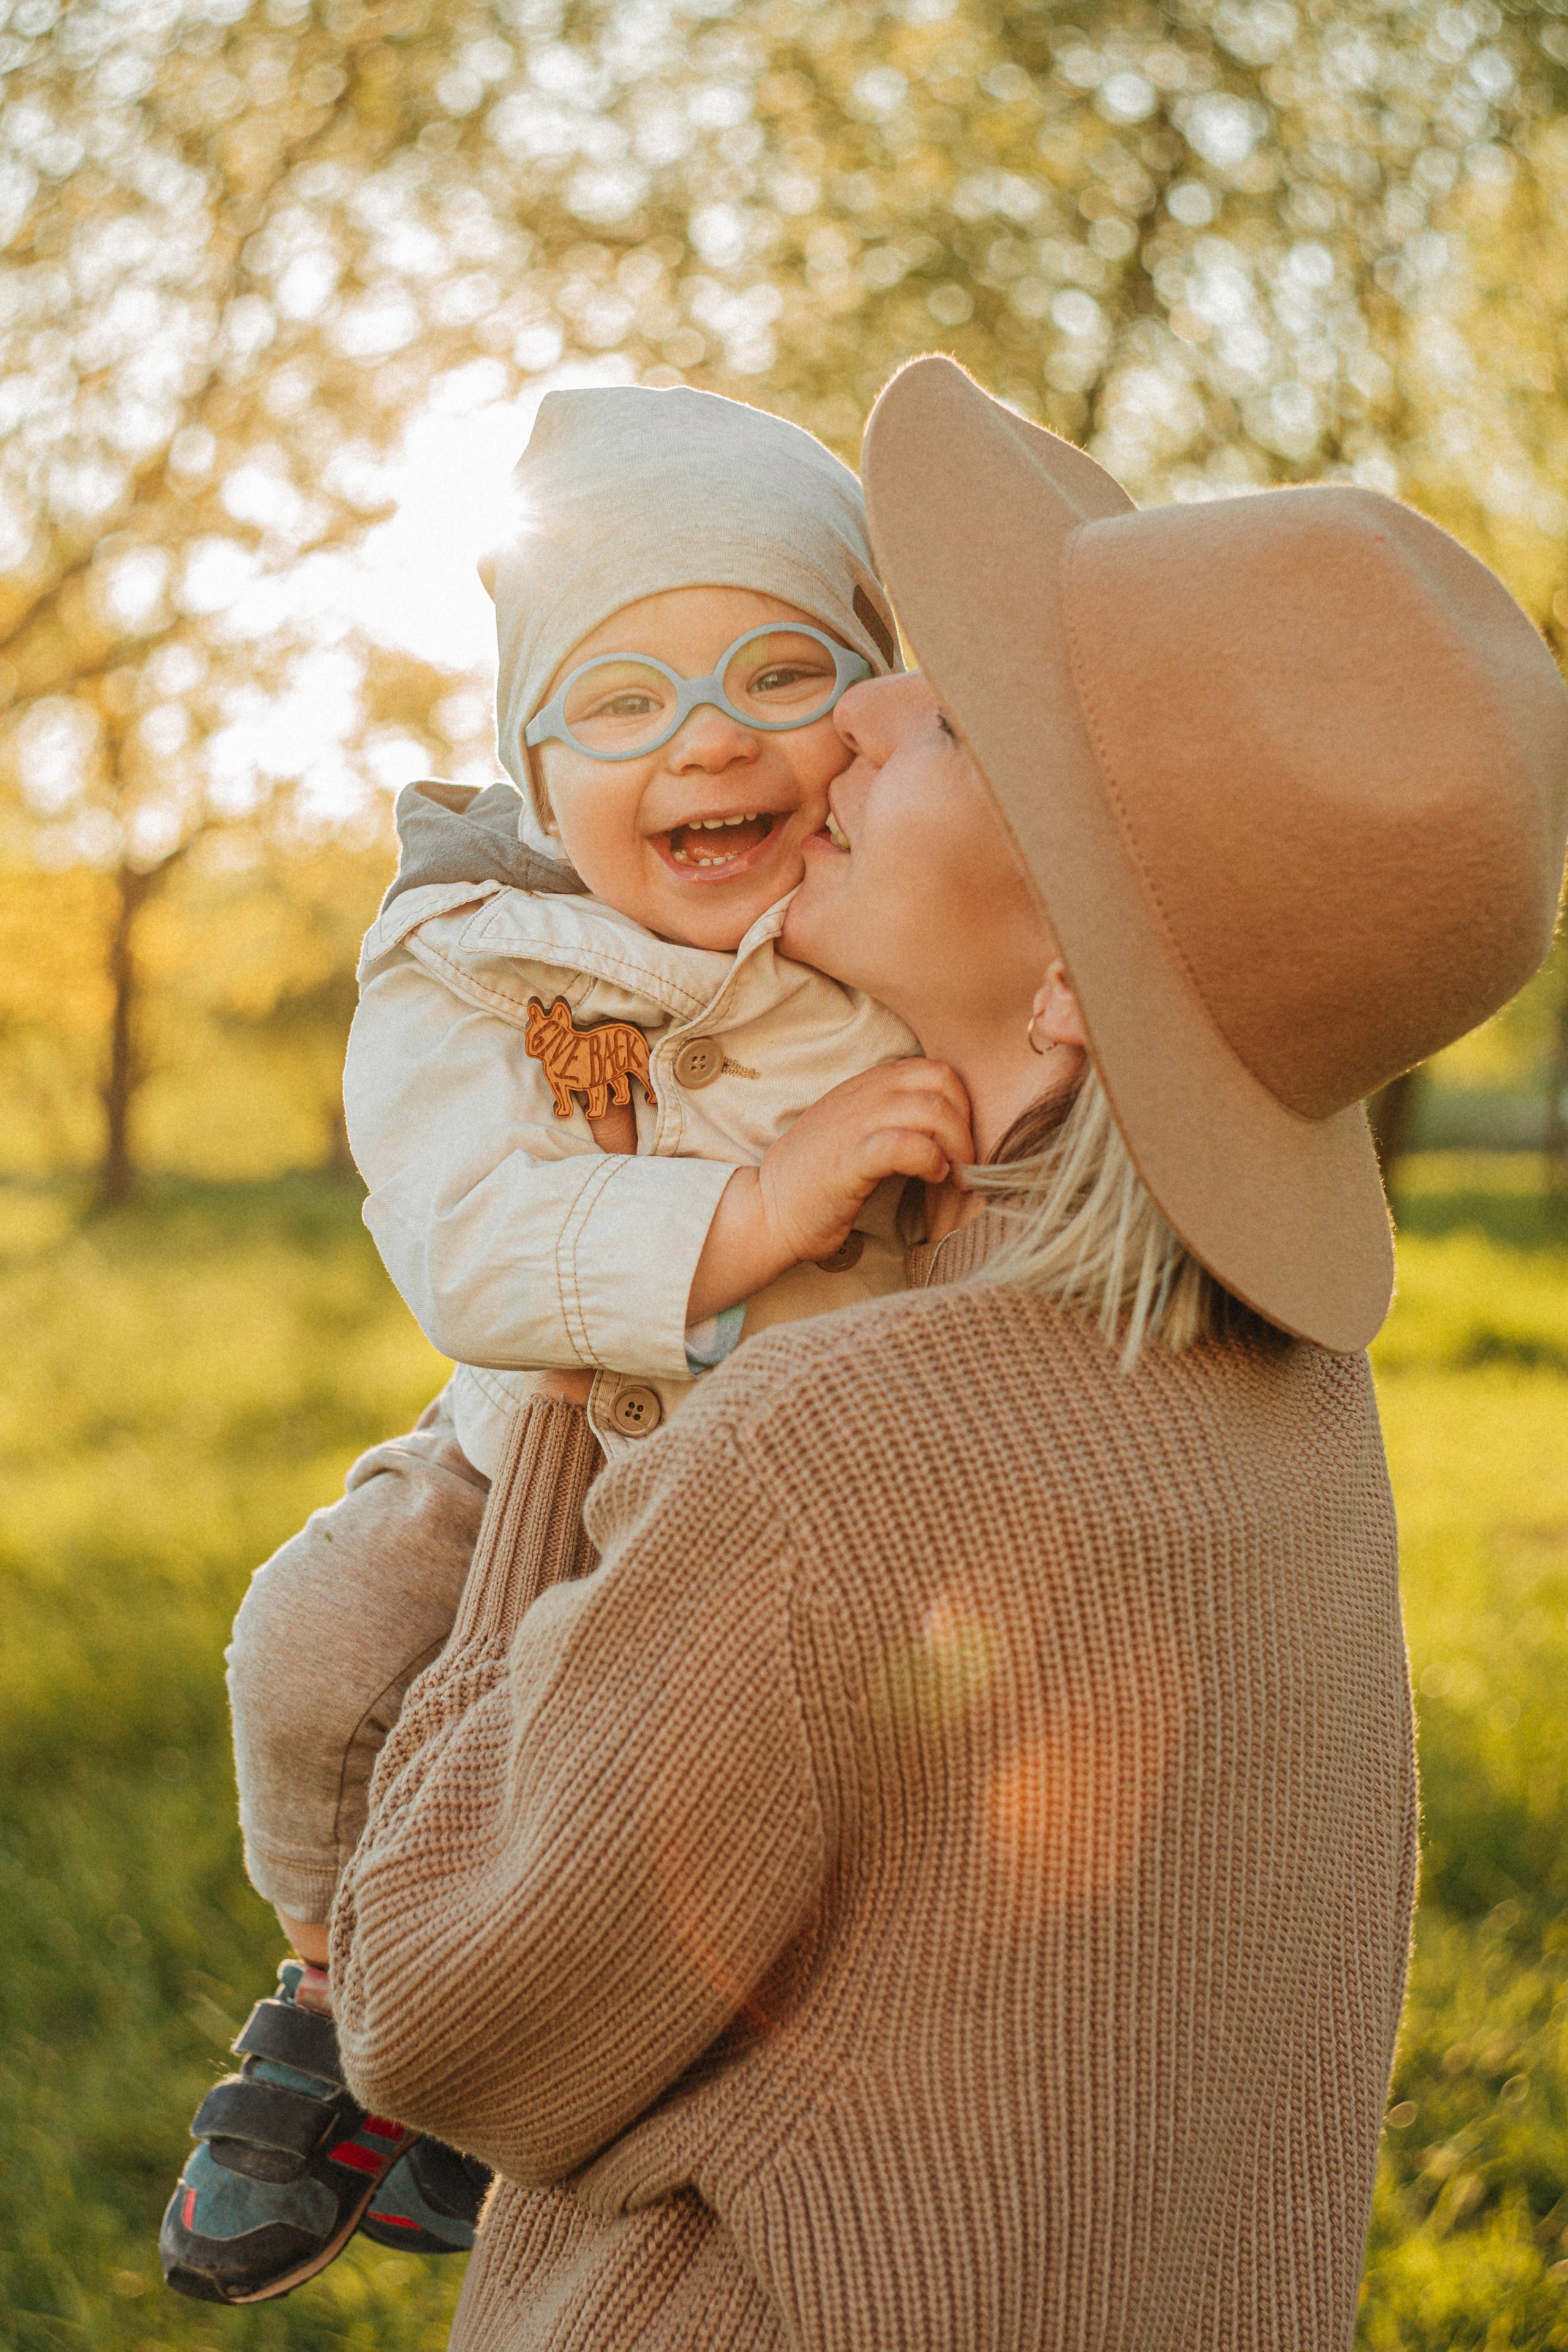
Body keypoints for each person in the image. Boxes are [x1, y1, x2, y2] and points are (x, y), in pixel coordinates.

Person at [326, 356, 1568, 2351]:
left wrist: (582, 1368)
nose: (865, 707)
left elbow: (439, 2017)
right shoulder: (1299, 1402)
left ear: (1074, 975)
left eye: (967, 715)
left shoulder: (832, 1444)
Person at [161, 385, 977, 2307]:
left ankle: (528, 2057)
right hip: (523, 1433)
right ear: (533, 765)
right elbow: (461, 1239)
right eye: (620, 704)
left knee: (682, 1811)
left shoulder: (899, 903)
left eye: (782, 674)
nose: (707, 738)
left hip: (812, 1485)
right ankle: (339, 1994)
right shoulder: (472, 955)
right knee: (322, 1647)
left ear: (868, 719)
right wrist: (748, 1212)